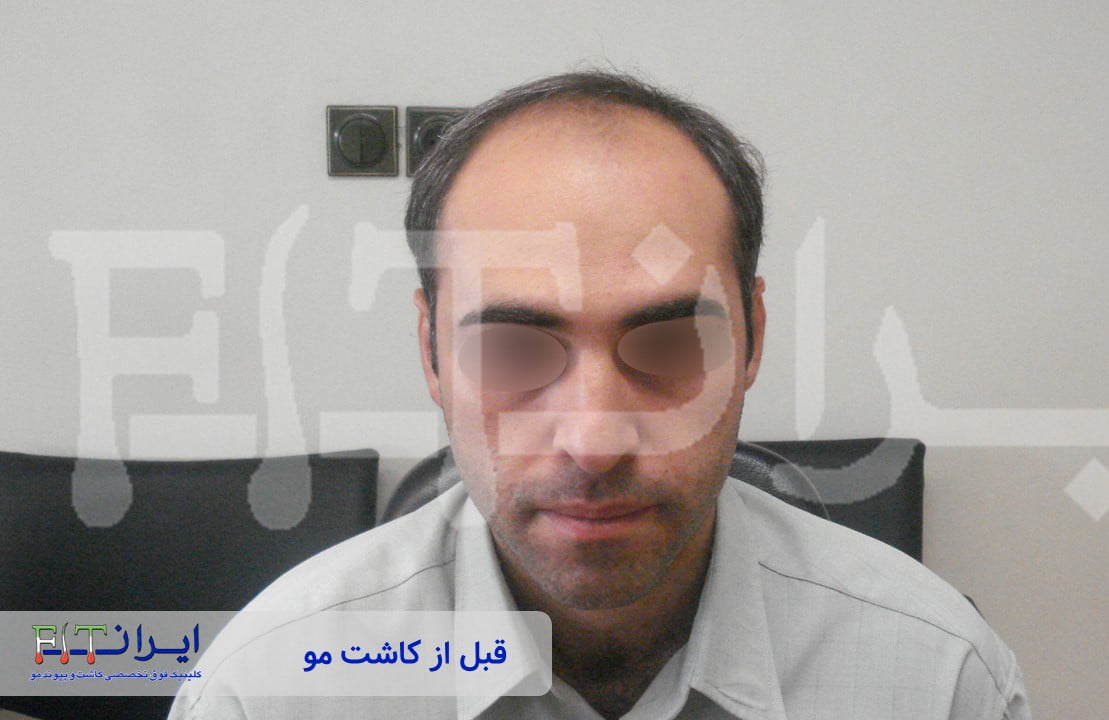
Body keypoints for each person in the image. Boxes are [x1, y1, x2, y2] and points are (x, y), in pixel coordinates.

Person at [170, 70, 1030, 719]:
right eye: (514, 350)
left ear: (754, 338)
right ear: (430, 350)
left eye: (668, 344)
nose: (593, 439)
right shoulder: (272, 688)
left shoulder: (937, 678)